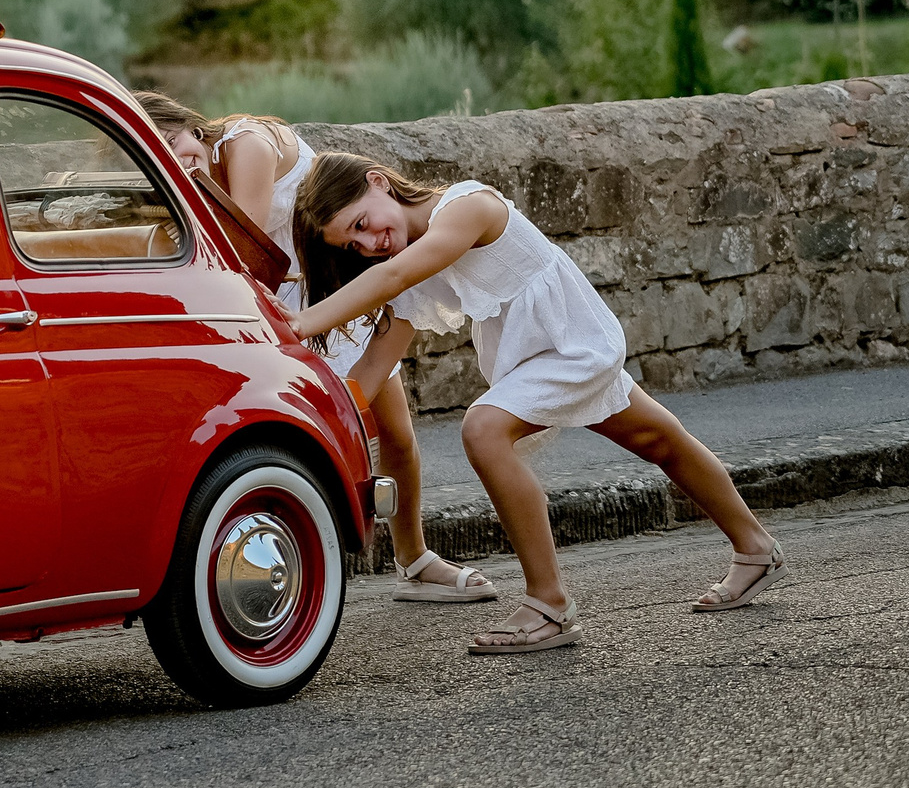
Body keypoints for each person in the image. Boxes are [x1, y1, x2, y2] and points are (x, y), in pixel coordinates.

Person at [290, 154, 786, 654]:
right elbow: (376, 363)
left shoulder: (467, 206)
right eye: (353, 244)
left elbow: (393, 277)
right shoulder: (408, 260)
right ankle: (756, 549)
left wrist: (301, 324)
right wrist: (314, 420)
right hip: (536, 358)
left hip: (572, 345)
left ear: (378, 181)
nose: (369, 244)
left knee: (483, 429)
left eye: (362, 224)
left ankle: (549, 604)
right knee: (659, 439)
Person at [134, 94, 493, 607]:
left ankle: (413, 561)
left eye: (174, 142)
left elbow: (239, 247)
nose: (177, 158)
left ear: (189, 124)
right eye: (160, 156)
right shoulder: (191, 176)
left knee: (393, 431)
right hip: (282, 292)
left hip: (323, 289)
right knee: (292, 428)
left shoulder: (246, 144)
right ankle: (282, 556)